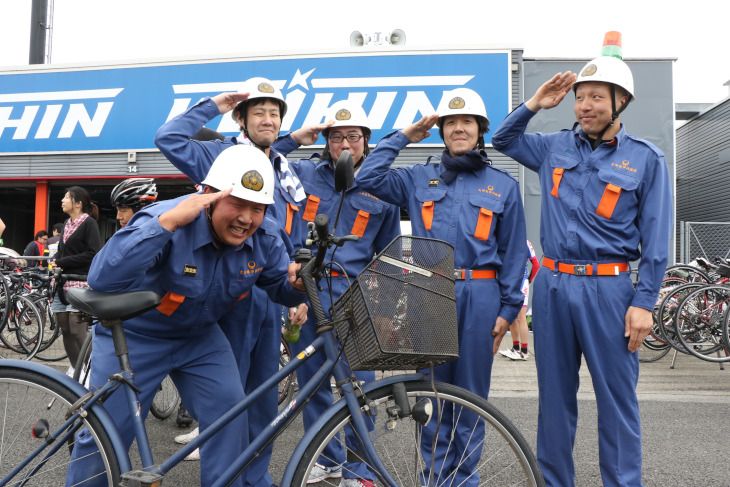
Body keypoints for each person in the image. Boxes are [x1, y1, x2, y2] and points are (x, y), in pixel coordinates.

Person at [65, 144, 307, 487]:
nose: (246, 218)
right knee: (106, 435)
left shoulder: (265, 236)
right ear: (208, 196)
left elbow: (277, 285)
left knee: (230, 420)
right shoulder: (165, 217)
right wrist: (165, 225)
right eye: (236, 203)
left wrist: (295, 286)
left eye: (257, 208)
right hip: (136, 335)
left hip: (200, 339)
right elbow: (102, 278)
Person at [491, 36, 672, 487]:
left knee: (616, 401)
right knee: (554, 399)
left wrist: (644, 302)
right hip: (552, 286)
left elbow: (656, 241)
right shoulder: (553, 147)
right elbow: (502, 138)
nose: (584, 106)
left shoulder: (646, 160)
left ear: (620, 102)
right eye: (579, 98)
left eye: (595, 97)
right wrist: (535, 103)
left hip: (610, 291)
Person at [356, 87, 526, 487]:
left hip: (479, 295)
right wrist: (403, 137)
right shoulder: (419, 177)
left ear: (481, 130)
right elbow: (368, 177)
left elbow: (514, 254)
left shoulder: (503, 186)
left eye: (467, 121)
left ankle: (464, 480)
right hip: (427, 295)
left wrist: (507, 311)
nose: (459, 128)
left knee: (470, 399)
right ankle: (434, 479)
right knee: (430, 396)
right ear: (441, 130)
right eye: (451, 122)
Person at [155, 77, 321, 485]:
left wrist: (296, 296)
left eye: (275, 114)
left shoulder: (282, 170)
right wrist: (215, 104)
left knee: (265, 402)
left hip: (269, 293)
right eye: (259, 112)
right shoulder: (222, 156)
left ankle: (256, 480)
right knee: (227, 408)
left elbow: (291, 237)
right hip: (226, 295)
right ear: (241, 120)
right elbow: (169, 139)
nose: (268, 120)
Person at [272, 100, 400, 487]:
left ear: (366, 141)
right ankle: (326, 460)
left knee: (359, 384)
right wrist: (296, 138)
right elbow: (265, 157)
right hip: (304, 287)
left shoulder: (382, 187)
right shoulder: (304, 172)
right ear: (326, 140)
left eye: (354, 137)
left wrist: (384, 308)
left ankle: (360, 470)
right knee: (311, 383)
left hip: (355, 295)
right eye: (336, 136)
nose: (345, 144)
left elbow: (388, 254)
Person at [51, 186, 102, 375]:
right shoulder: (66, 223)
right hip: (61, 282)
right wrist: (55, 260)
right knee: (64, 329)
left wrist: (62, 261)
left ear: (78, 203)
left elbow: (92, 253)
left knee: (76, 330)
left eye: (66, 197)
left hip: (80, 282)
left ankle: (92, 371)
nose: (63, 200)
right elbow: (64, 251)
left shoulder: (89, 223)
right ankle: (76, 369)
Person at [499, 239, 539, 360]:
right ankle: (516, 348)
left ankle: (524, 351)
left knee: (521, 317)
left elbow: (536, 264)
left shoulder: (523, 242)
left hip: (519, 282)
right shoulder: (513, 240)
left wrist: (529, 279)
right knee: (512, 317)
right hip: (512, 282)